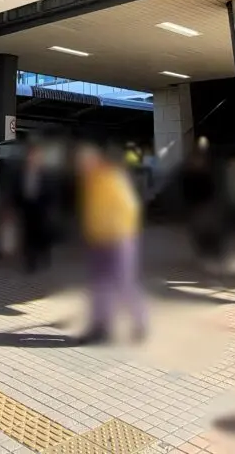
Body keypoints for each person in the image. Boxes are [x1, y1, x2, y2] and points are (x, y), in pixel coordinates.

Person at [75, 143, 146, 345]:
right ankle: (101, 327)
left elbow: (129, 207)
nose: (82, 168)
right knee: (98, 285)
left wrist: (114, 232)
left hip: (117, 240)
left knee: (123, 283)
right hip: (97, 241)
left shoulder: (111, 178)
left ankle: (140, 322)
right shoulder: (91, 182)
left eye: (85, 163)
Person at [179, 138, 223, 270]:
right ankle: (207, 254)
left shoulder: (209, 166)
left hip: (207, 202)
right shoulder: (193, 168)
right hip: (199, 203)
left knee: (210, 229)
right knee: (201, 229)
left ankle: (212, 253)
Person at [15, 143, 54, 273]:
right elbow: (17, 190)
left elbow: (51, 191)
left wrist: (48, 206)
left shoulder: (45, 173)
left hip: (41, 208)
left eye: (36, 156)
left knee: (40, 234)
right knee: (28, 235)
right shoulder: (22, 172)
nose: (33, 158)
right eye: (31, 156)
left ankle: (43, 255)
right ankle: (30, 262)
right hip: (27, 207)